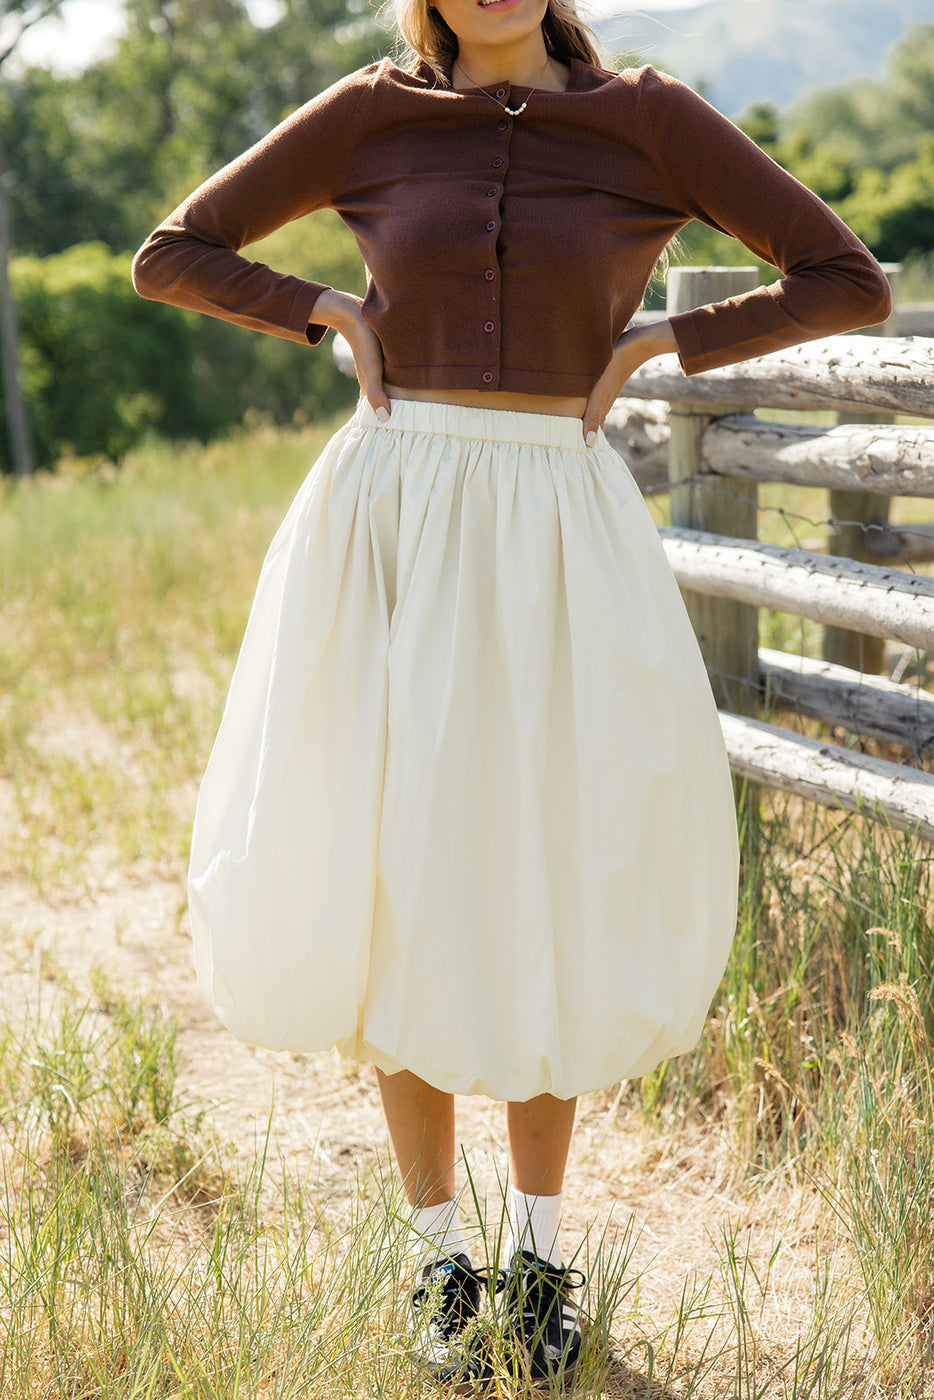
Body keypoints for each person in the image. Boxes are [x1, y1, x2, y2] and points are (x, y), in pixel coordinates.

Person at [132, 0, 891, 1384]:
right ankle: (438, 1261)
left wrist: (659, 346)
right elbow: (171, 253)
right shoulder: (369, 112)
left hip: (557, 525)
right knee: (396, 877)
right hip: (394, 515)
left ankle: (541, 1253)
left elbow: (847, 280)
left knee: (549, 866)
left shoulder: (648, 118)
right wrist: (318, 313)